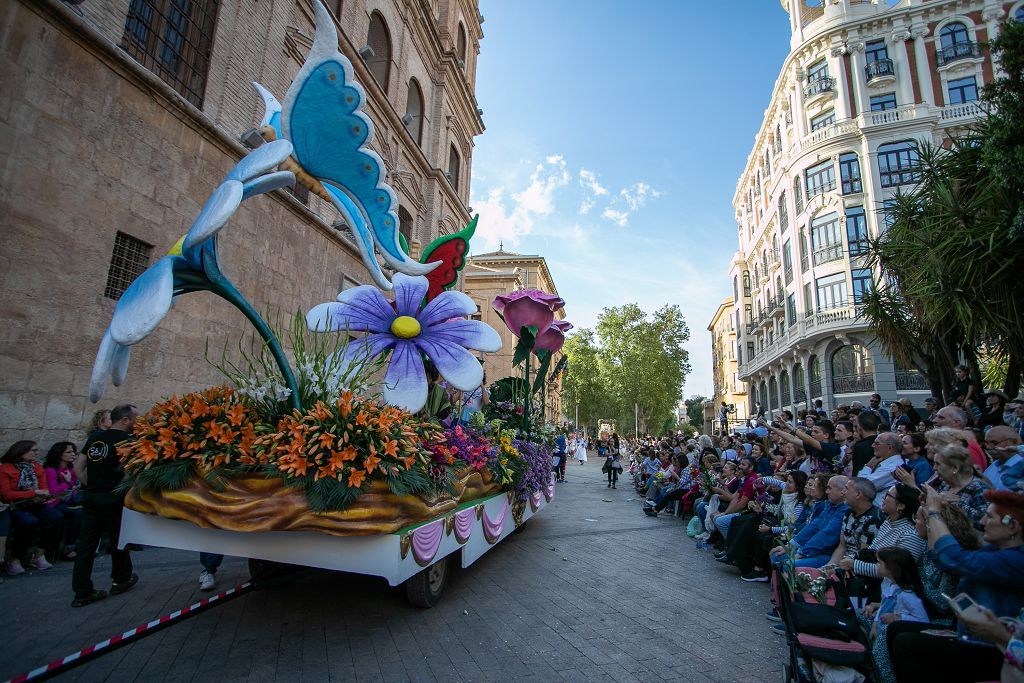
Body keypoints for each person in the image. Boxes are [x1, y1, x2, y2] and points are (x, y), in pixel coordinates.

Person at [890, 489, 1024, 683]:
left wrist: (935, 513)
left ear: (1011, 526)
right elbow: (940, 556)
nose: (983, 522)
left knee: (907, 644)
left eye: (989, 517)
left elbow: (953, 558)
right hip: (974, 637)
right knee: (898, 629)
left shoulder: (1016, 560)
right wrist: (930, 513)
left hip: (993, 648)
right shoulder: (996, 551)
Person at [71, 404, 140, 607]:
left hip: (92, 496)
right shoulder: (127, 442)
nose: (138, 422)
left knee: (85, 545)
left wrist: (92, 485)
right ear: (125, 420)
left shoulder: (95, 438)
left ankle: (82, 591)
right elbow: (130, 474)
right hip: (114, 497)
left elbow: (78, 467)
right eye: (136, 418)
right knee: (119, 540)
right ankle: (121, 579)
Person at [861, 547, 930, 682]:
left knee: (880, 651)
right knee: (861, 617)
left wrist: (898, 618)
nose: (876, 565)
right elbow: (883, 605)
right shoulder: (887, 584)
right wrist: (874, 623)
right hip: (882, 623)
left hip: (895, 628)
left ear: (892, 568)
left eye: (879, 563)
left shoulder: (907, 595)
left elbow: (923, 620)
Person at [0, 441, 60, 574]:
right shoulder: (6, 468)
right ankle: (15, 559)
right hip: (14, 506)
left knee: (55, 516)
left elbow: (44, 489)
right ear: (21, 451)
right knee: (28, 521)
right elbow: (6, 495)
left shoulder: (37, 467)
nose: (36, 453)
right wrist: (33, 493)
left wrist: (44, 497)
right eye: (33, 450)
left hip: (33, 504)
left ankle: (39, 555)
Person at [769, 475, 849, 569]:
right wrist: (791, 545)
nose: (827, 491)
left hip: (827, 553)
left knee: (789, 566)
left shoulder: (844, 510)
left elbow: (827, 535)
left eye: (829, 488)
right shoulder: (829, 505)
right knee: (777, 555)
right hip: (814, 549)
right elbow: (813, 526)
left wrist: (802, 552)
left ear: (841, 491)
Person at [931, 443, 992, 530]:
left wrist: (957, 505)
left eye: (938, 464)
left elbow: (985, 523)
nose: (934, 468)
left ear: (955, 468)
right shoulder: (946, 484)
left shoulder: (978, 488)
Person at [43, 441, 83, 560]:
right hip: (54, 503)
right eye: (68, 452)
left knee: (79, 513)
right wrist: (67, 482)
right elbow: (53, 492)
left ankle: (70, 546)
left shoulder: (71, 470)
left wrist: (72, 484)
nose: (72, 454)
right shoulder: (51, 470)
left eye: (73, 452)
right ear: (59, 454)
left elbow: (74, 487)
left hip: (68, 501)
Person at [856, 432, 906, 507]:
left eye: (877, 443)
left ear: (889, 448)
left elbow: (862, 486)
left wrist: (868, 467)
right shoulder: (887, 463)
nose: (872, 446)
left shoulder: (893, 467)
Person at [934, 405, 988, 471]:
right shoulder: (955, 444)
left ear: (956, 423)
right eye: (936, 417)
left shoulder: (966, 447)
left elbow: (969, 478)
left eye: (941, 417)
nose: (934, 420)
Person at [981, 425, 1023, 491]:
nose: (988, 447)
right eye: (986, 443)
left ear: (1013, 442)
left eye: (994, 443)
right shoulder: (991, 468)